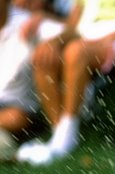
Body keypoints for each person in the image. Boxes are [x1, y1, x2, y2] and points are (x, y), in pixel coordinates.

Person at [15, 0, 115, 165]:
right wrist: (53, 41)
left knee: (76, 52)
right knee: (43, 55)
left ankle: (64, 138)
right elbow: (73, 25)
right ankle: (60, 133)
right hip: (85, 38)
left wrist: (106, 39)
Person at [0, 0, 64, 161]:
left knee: (17, 118)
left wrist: (54, 43)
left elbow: (72, 33)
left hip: (20, 110)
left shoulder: (29, 23)